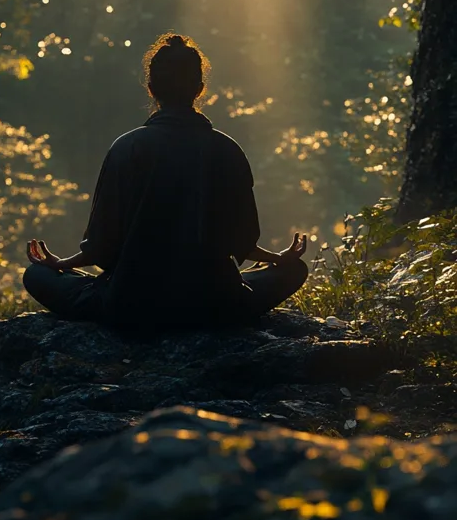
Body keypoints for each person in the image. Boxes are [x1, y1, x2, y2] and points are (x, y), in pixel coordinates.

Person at [23, 33, 308, 330]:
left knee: (36, 276)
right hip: (216, 305)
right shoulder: (227, 149)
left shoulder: (126, 148)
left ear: (151, 89)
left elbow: (101, 249)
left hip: (133, 305)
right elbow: (243, 243)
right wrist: (278, 258)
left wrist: (60, 265)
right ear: (199, 89)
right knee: (293, 270)